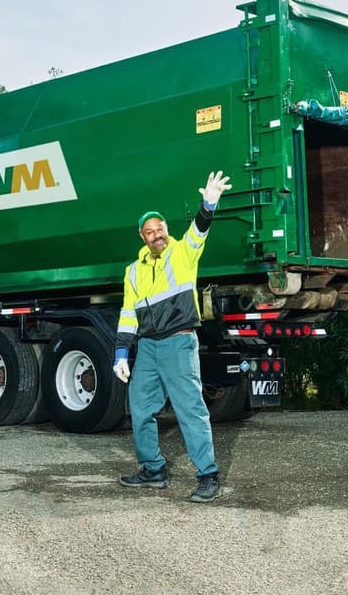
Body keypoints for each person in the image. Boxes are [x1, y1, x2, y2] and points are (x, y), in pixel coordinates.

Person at [113, 170, 231, 503]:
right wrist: (121, 353)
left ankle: (207, 474)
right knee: (140, 405)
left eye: (160, 228)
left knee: (189, 408)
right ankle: (153, 470)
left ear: (167, 229)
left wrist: (208, 203)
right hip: (148, 346)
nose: (156, 234)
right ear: (142, 237)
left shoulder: (183, 253)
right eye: (149, 231)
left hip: (178, 341)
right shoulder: (133, 271)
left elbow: (198, 231)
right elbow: (127, 313)